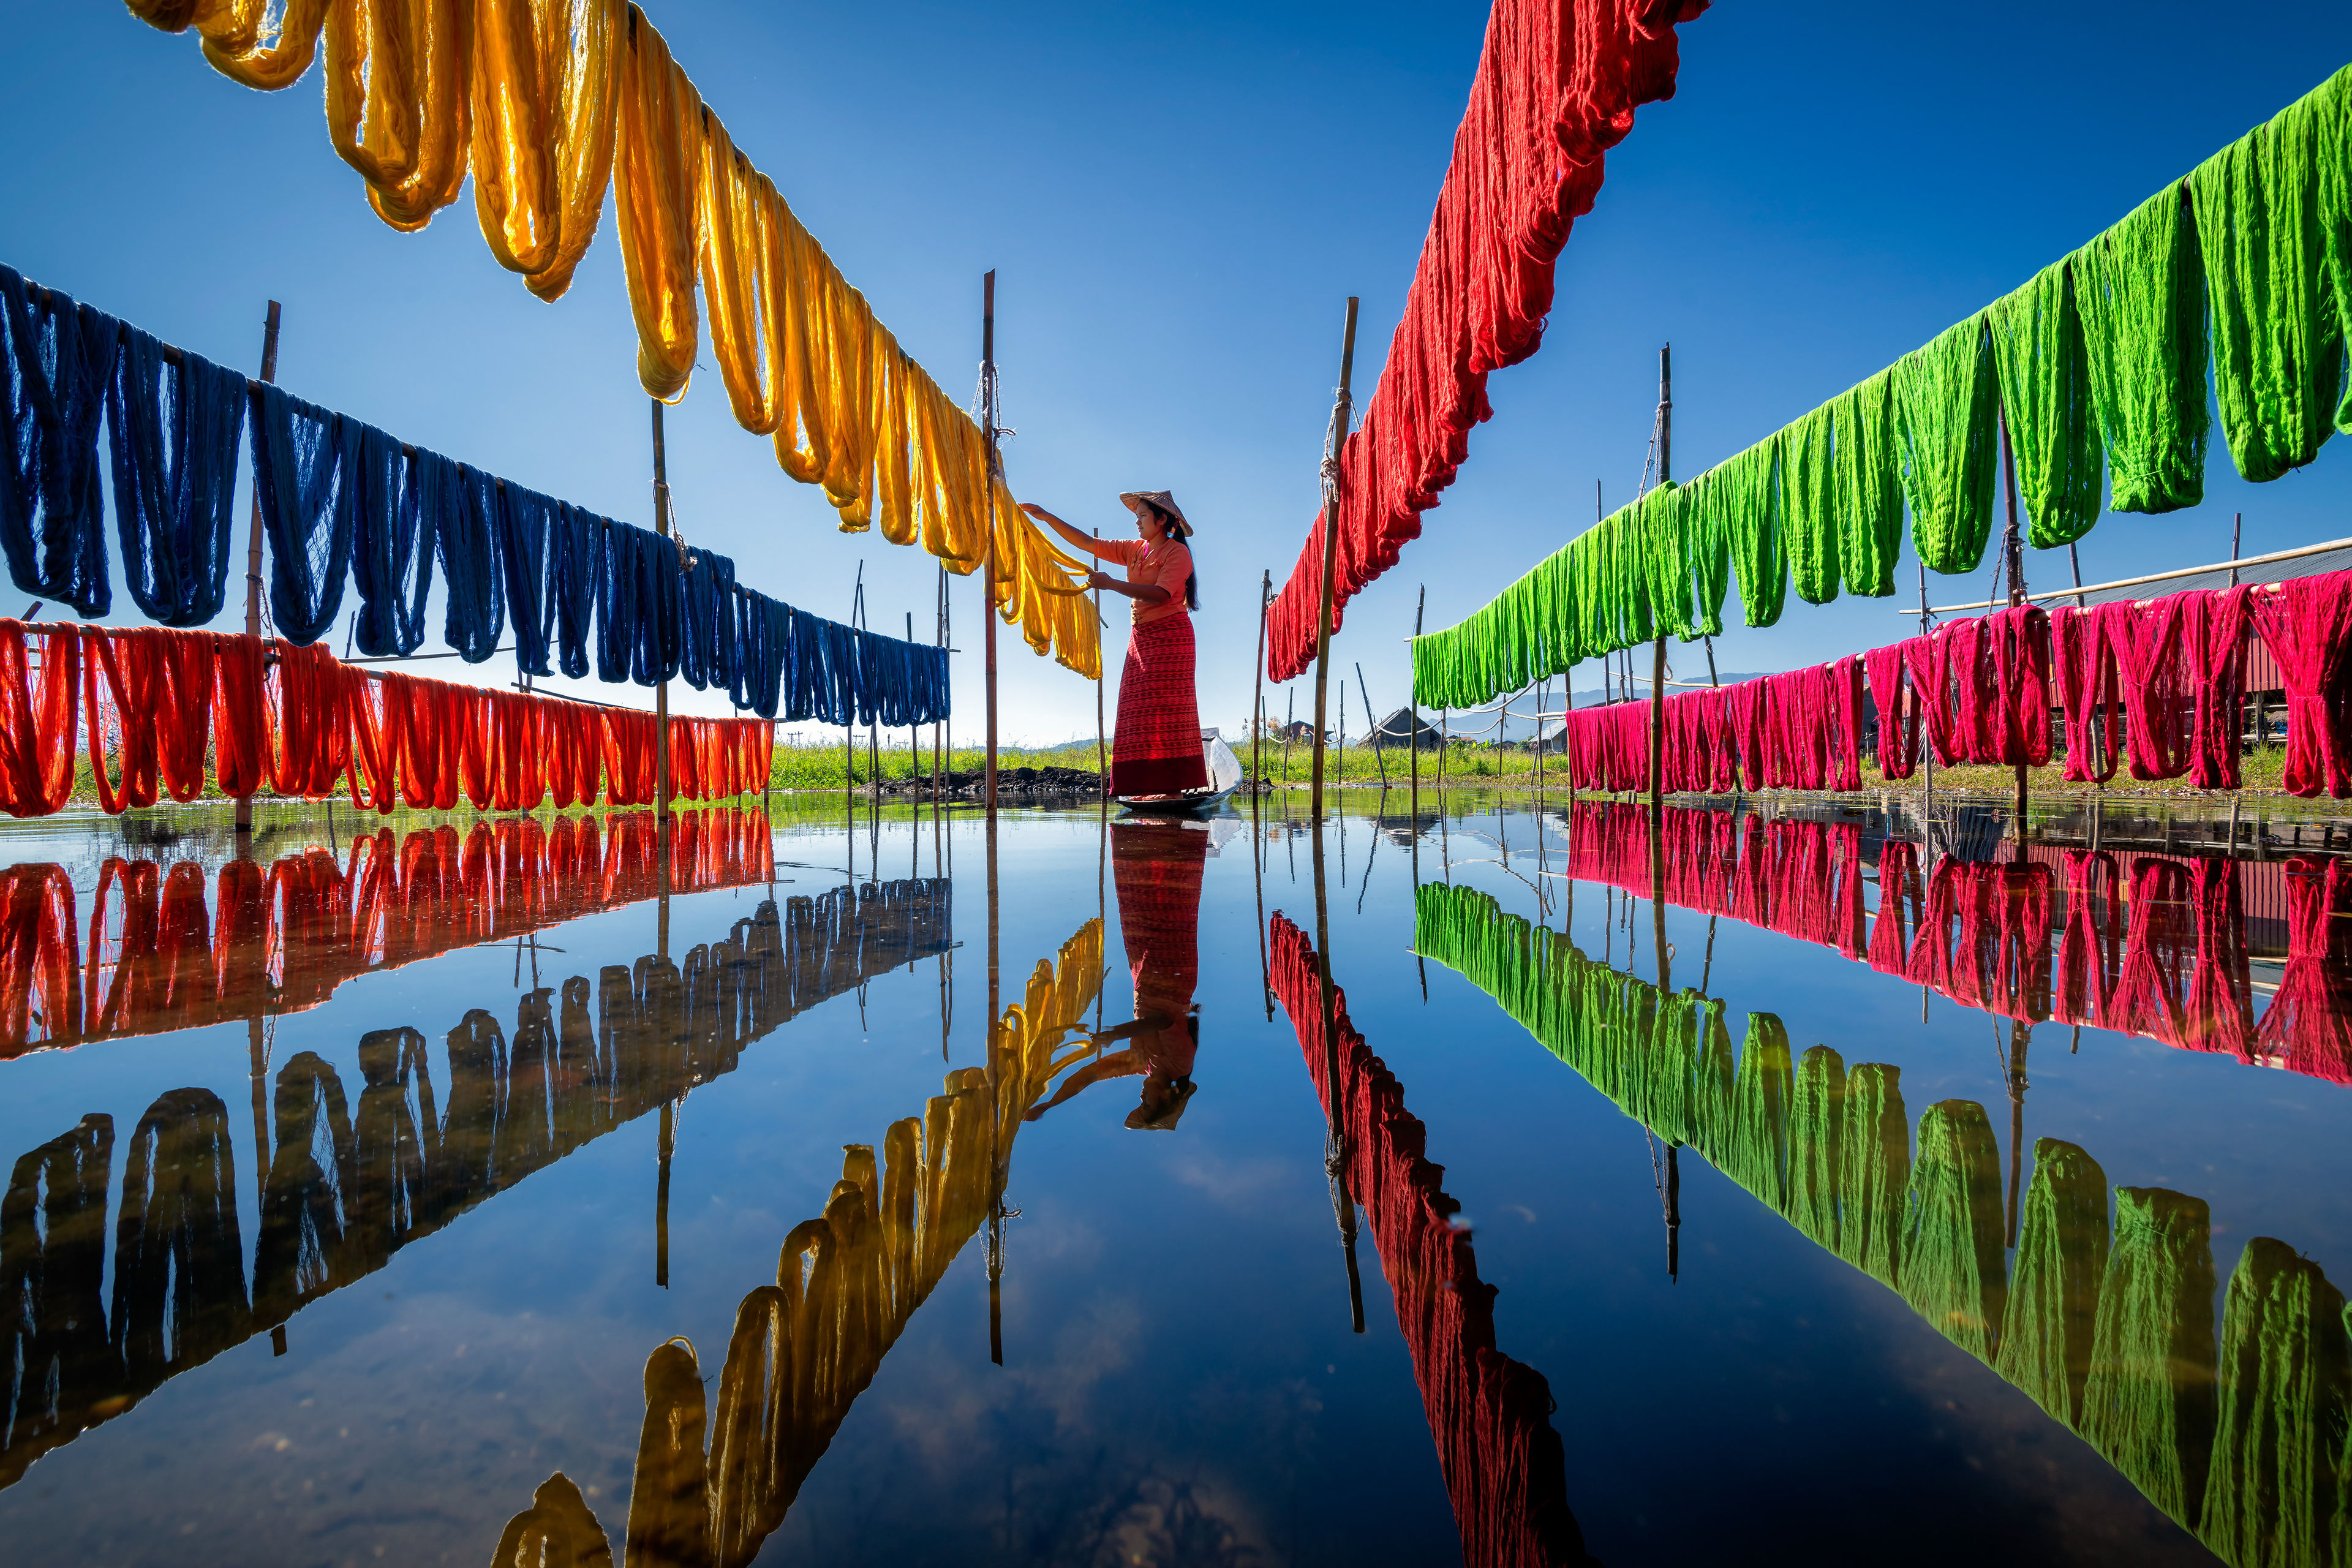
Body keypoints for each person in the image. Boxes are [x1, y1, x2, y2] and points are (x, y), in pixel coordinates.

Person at [1026, 817, 1208, 1131]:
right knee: (1166, 903)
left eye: (1141, 1103)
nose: (1141, 1097)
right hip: (1173, 973)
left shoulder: (1142, 1064)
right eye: (1147, 1102)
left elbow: (1090, 1075)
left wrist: (1051, 1103)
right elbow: (1163, 1022)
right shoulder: (1180, 1064)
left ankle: (1149, 831)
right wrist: (1117, 1034)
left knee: (1138, 907)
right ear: (1167, 1097)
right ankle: (1173, 831)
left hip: (1146, 978)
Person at [1022, 491, 1207, 799]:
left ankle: (1172, 789)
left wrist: (1111, 584)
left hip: (1171, 639)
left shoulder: (1177, 553)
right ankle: (1147, 786)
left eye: (1143, 516)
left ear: (1162, 521)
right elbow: (1087, 544)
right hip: (1141, 638)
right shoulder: (1134, 550)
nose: (1137, 522)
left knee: (1167, 710)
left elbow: (1161, 595)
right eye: (1137, 517)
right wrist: (1046, 517)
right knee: (1136, 708)